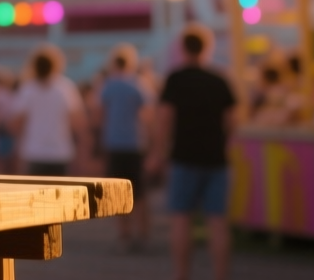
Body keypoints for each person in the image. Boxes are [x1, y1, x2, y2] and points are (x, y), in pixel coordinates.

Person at [150, 28, 236, 280]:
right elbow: (232, 121)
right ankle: (220, 275)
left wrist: (158, 153)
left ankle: (181, 274)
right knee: (217, 222)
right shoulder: (219, 80)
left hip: (183, 157)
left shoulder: (175, 79)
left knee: (180, 219)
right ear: (207, 48)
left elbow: (165, 120)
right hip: (216, 159)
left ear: (183, 49)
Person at [96, 46, 148, 250]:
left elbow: (99, 115)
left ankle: (123, 232)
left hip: (114, 143)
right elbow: (147, 115)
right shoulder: (138, 85)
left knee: (117, 192)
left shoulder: (107, 86)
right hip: (135, 143)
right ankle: (141, 231)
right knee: (140, 191)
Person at [10, 48, 83, 176]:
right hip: (60, 152)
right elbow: (77, 122)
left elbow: (16, 124)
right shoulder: (66, 87)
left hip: (33, 152)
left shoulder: (27, 89)